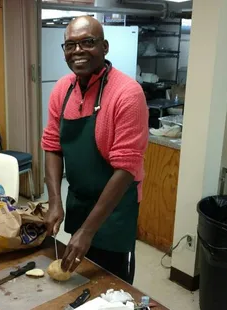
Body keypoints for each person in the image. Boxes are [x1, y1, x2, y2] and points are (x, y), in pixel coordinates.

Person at [41, 15, 149, 284]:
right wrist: (55, 201)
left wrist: (88, 231)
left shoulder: (128, 94)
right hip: (80, 200)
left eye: (88, 42)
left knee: (111, 284)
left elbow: (126, 168)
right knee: (80, 281)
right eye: (70, 45)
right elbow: (52, 145)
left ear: (105, 47)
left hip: (115, 209)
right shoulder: (61, 90)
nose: (78, 51)